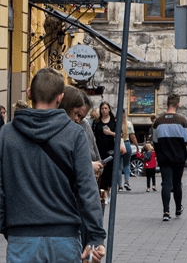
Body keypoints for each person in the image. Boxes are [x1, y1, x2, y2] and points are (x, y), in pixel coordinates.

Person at [0, 67, 107, 263]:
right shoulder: (75, 134)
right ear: (60, 98)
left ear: (29, 93)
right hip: (64, 238)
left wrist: (6, 226)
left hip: (21, 238)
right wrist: (95, 237)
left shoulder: (6, 134)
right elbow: (88, 188)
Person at [152, 93, 187, 222]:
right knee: (177, 183)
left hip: (164, 158)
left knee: (166, 183)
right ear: (178, 104)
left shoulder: (158, 121)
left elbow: (155, 141)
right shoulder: (182, 121)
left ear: (167, 104)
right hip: (179, 157)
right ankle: (178, 209)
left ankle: (166, 211)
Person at [92, 101, 120, 204]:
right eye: (102, 108)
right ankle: (103, 194)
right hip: (99, 150)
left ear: (109, 109)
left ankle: (107, 191)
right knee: (101, 172)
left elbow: (119, 135)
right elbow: (93, 135)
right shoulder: (97, 122)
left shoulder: (114, 121)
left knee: (109, 172)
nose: (104, 110)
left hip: (110, 151)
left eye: (105, 108)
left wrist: (110, 133)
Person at [119, 115, 139, 192]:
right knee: (127, 164)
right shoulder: (129, 124)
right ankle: (126, 182)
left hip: (119, 144)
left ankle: (120, 186)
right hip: (126, 143)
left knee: (119, 166)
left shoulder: (116, 123)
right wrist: (137, 146)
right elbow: (132, 136)